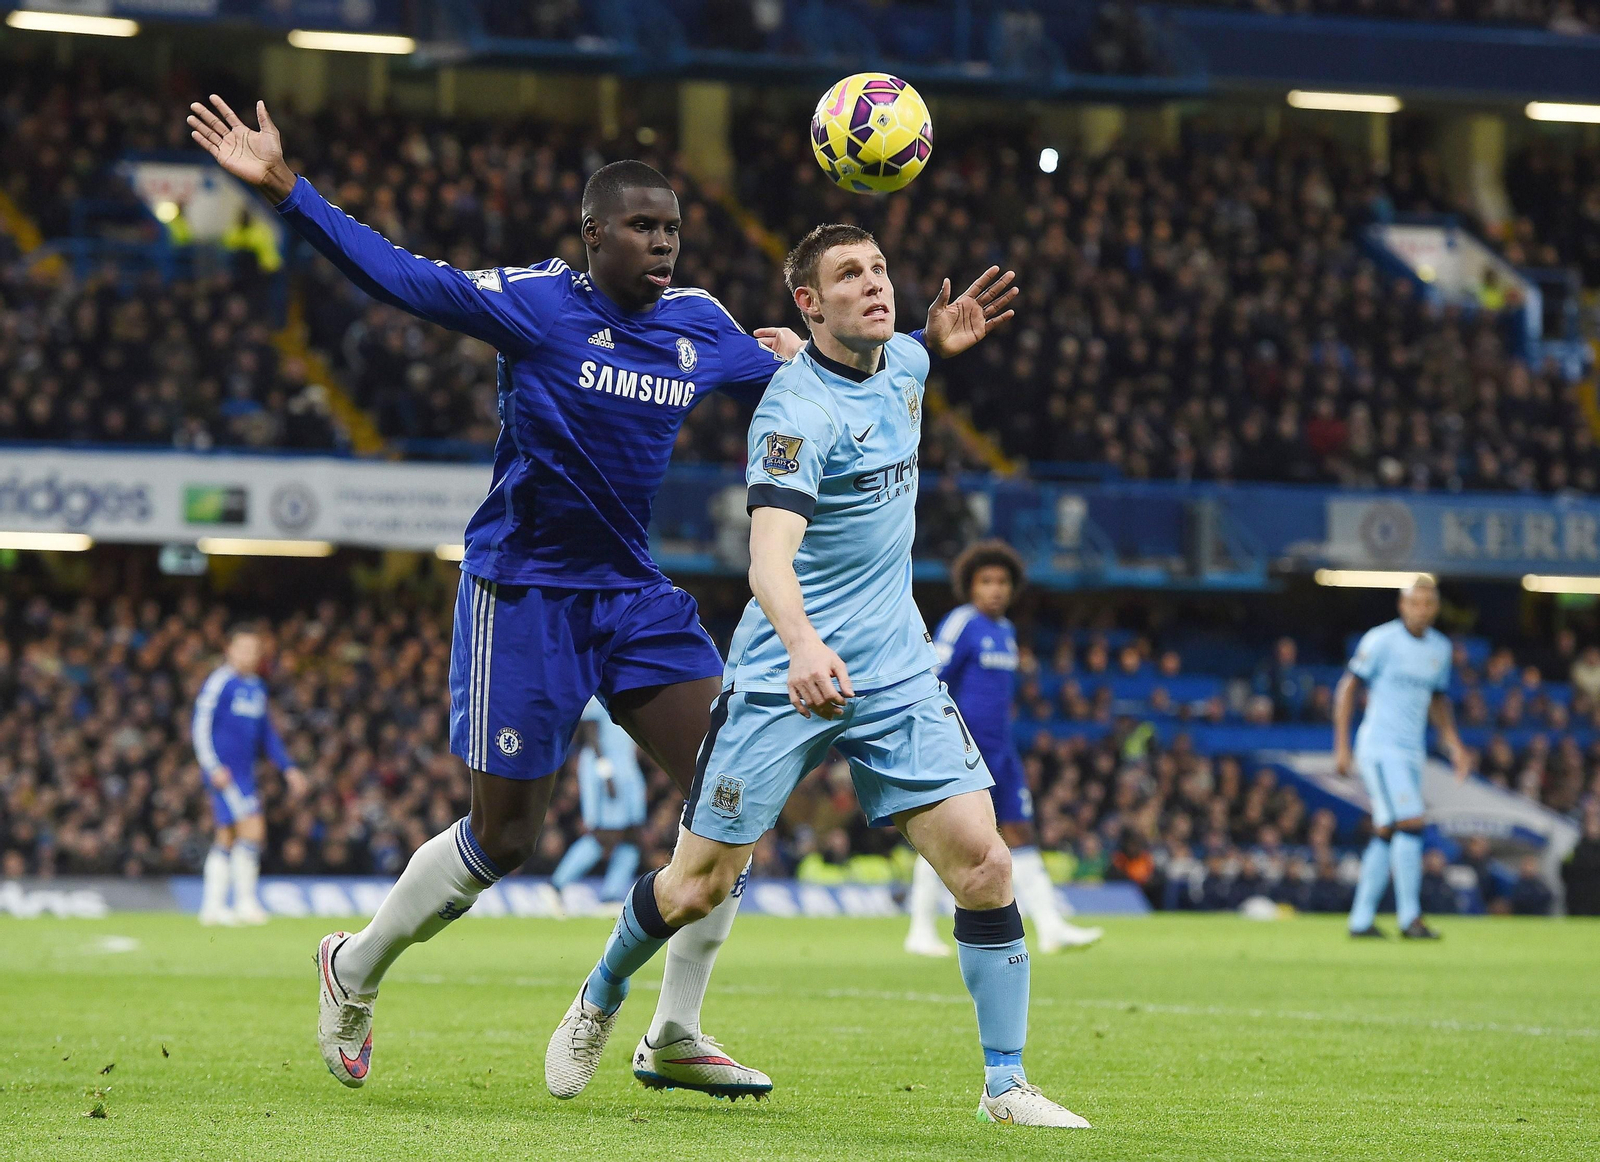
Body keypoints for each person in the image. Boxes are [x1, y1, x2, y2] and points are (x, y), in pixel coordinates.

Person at [188, 94, 802, 1095]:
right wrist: (288, 192)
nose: (664, 246)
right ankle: (353, 964)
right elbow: (401, 278)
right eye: (643, 228)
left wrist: (876, 346)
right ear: (592, 234)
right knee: (504, 839)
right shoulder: (534, 303)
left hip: (632, 596)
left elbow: (811, 381)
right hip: (521, 595)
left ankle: (675, 1031)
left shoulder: (700, 327)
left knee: (737, 794)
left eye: (675, 230)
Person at [546, 225, 1088, 1127]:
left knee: (987, 864)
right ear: (808, 303)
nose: (874, 284)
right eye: (848, 275)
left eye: (878, 269)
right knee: (697, 887)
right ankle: (600, 998)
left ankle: (1005, 1085)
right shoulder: (793, 414)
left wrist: (939, 339)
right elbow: (768, 558)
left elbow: (910, 350)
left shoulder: (904, 365)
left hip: (896, 671)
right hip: (782, 673)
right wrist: (802, 647)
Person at [905, 540, 1102, 956]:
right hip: (961, 750)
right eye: (986, 581)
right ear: (970, 587)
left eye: (1002, 582)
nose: (995, 589)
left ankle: (1050, 926)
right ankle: (919, 930)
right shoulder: (962, 623)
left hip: (1002, 752)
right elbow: (931, 677)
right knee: (947, 835)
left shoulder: (1007, 631)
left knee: (1019, 831)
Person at [1333, 577, 1470, 940]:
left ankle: (1360, 920)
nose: (1422, 610)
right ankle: (1411, 918)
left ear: (1435, 607)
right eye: (1415, 603)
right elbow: (1348, 687)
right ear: (1402, 605)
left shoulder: (1440, 648)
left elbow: (1438, 700)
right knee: (1411, 822)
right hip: (1379, 746)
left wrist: (1454, 744)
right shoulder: (1381, 640)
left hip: (1412, 750)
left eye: (1428, 604)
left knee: (1388, 831)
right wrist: (1342, 746)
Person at [191, 625, 305, 926]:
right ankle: (245, 902)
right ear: (229, 650)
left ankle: (213, 908)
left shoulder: (256, 687)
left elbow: (267, 734)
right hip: (225, 773)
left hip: (244, 774)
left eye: (254, 651)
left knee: (227, 836)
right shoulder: (220, 683)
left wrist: (288, 768)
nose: (248, 656)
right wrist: (212, 767)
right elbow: (200, 726)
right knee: (253, 829)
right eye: (242, 649)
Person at [550, 698, 648, 902]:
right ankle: (557, 883)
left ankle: (611, 894)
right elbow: (590, 731)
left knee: (633, 834)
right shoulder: (600, 692)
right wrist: (605, 772)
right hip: (605, 768)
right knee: (603, 834)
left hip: (627, 767)